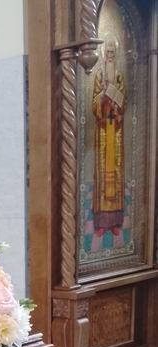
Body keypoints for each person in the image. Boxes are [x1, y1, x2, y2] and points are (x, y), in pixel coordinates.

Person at [91, 39, 127, 237]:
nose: (110, 56)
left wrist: (116, 103)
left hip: (116, 130)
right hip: (104, 132)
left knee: (116, 172)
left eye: (113, 53)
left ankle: (114, 222)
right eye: (108, 53)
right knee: (103, 174)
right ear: (104, 55)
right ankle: (101, 224)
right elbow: (94, 104)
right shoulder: (99, 76)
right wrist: (104, 96)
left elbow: (124, 102)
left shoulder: (119, 76)